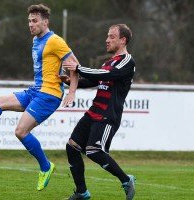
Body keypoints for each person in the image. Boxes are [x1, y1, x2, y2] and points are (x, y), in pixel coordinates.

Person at [0, 4, 79, 191]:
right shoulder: (36, 40)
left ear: (45, 22)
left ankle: (46, 166)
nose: (31, 24)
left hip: (49, 95)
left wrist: (72, 91)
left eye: (35, 21)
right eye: (29, 21)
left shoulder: (56, 41)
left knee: (21, 131)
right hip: (36, 90)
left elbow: (75, 65)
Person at [61, 24, 136, 200]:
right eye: (107, 36)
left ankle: (126, 180)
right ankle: (81, 192)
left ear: (123, 40)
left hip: (108, 115)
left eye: (111, 37)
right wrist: (69, 81)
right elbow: (93, 80)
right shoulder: (108, 62)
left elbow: (107, 75)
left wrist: (77, 68)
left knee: (94, 151)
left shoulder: (127, 61)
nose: (107, 40)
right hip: (94, 112)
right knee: (72, 147)